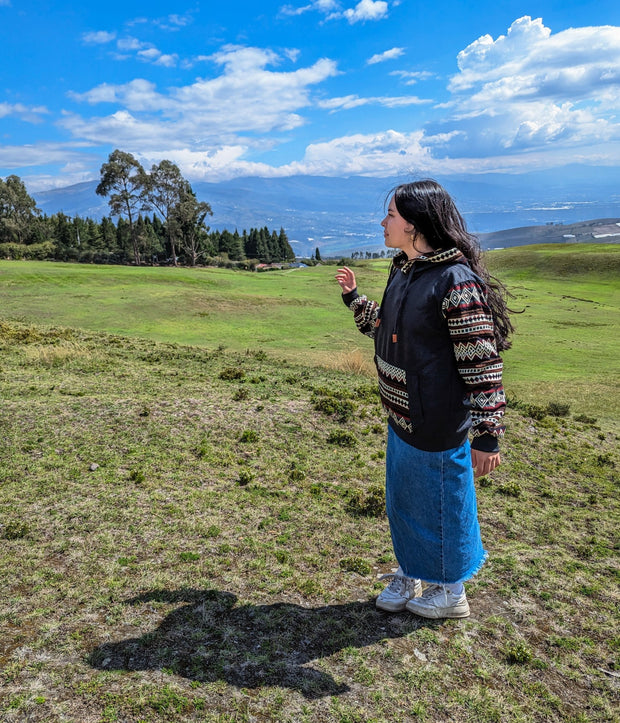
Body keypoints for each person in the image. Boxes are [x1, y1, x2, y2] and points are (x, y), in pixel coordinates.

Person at [335, 179, 513, 619]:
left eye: (391, 215)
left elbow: (482, 365)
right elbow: (389, 326)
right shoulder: (404, 269)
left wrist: (488, 434)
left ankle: (450, 591)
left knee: (442, 505)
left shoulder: (454, 282)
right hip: (402, 416)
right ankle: (411, 570)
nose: (383, 222)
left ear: (414, 226)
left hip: (437, 422)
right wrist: (354, 300)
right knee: (405, 501)